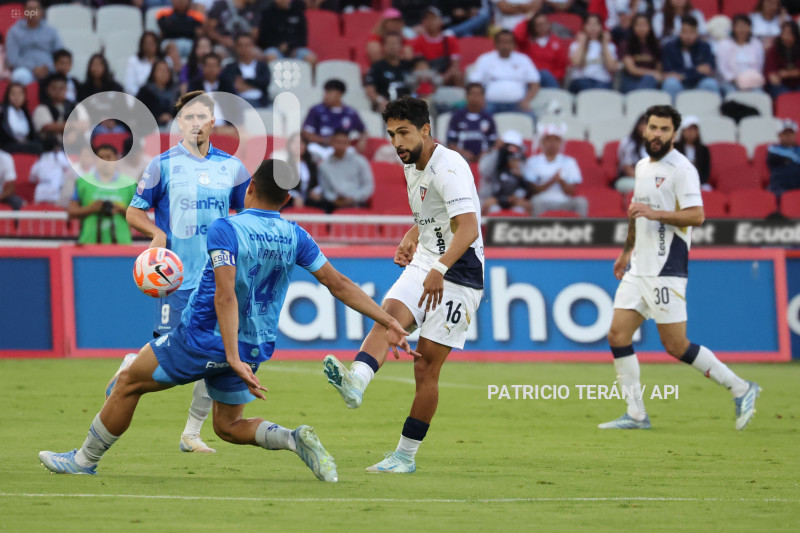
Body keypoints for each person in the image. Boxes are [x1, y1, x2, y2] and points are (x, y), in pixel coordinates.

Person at [38, 158, 418, 479]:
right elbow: (339, 284)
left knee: (127, 384)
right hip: (254, 343)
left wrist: (230, 355)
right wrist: (389, 321)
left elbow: (224, 294)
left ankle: (83, 461)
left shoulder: (227, 228)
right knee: (227, 426)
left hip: (205, 338)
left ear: (250, 186)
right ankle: (293, 438)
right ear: (286, 199)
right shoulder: (296, 234)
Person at [322, 96, 485, 473]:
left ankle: (405, 456)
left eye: (404, 133)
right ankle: (356, 383)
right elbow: (434, 213)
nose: (397, 142)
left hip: (459, 273)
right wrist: (413, 234)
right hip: (430, 259)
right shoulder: (412, 163)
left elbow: (469, 227)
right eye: (392, 134)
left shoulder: (450, 168)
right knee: (388, 317)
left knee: (425, 367)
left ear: (426, 131)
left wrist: (440, 268)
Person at [600, 104, 760, 431]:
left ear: (674, 134)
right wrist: (626, 252)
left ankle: (741, 388)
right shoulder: (643, 165)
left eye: (663, 129)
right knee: (617, 335)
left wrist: (655, 214)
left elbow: (696, 215)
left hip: (666, 268)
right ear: (645, 129)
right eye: (652, 127)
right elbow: (636, 212)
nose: (656, 134)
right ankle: (636, 414)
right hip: (638, 268)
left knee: (676, 345)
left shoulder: (682, 169)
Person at [121, 91, 252, 453]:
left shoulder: (233, 168)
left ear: (212, 122)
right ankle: (133, 365)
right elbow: (134, 211)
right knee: (169, 352)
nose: (196, 123)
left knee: (215, 354)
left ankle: (191, 433)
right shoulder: (161, 165)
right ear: (179, 123)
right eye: (188, 117)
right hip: (176, 278)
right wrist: (156, 233)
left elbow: (247, 214)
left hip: (218, 278)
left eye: (202, 117)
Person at [67, 144, 137, 245]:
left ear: (116, 160)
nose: (105, 161)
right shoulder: (83, 182)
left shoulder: (130, 184)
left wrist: (121, 209)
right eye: (101, 158)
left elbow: (140, 216)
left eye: (109, 157)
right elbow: (71, 212)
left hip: (121, 244)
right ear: (95, 160)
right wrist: (91, 209)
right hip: (88, 244)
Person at [468, 30, 541, 113]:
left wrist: (526, 101)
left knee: (531, 118)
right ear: (496, 44)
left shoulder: (524, 60)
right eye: (502, 42)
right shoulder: (485, 59)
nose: (505, 45)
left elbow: (535, 84)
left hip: (518, 104)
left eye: (508, 42)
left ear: (514, 45)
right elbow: (474, 84)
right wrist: (480, 100)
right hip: (490, 104)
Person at [524, 122, 588, 217]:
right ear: (542, 142)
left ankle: (582, 230)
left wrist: (561, 181)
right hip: (542, 200)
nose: (552, 143)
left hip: (564, 201)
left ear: (560, 143)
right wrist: (552, 180)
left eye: (556, 140)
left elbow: (571, 191)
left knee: (581, 202)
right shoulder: (533, 161)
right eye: (548, 140)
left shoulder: (570, 162)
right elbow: (533, 190)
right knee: (535, 202)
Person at [661, 16, 720, 100]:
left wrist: (683, 75)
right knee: (670, 84)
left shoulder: (705, 47)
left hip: (699, 82)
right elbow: (669, 71)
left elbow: (708, 69)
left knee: (710, 84)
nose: (688, 36)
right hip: (679, 83)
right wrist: (696, 70)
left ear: (697, 32)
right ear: (679, 32)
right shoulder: (669, 47)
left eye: (692, 32)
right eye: (685, 32)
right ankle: (671, 112)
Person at [5, 0, 63, 85]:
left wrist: (48, 67)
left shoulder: (51, 31)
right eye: (29, 9)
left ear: (41, 12)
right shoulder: (14, 32)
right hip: (26, 69)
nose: (32, 12)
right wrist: (33, 68)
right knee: (19, 76)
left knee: (63, 78)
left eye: (35, 9)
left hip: (49, 69)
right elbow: (12, 59)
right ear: (24, 11)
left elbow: (60, 53)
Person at [302, 79, 367, 154]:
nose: (325, 96)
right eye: (325, 92)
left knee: (352, 153)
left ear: (339, 94)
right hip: (321, 148)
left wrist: (362, 141)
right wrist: (328, 140)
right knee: (311, 148)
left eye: (329, 93)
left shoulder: (350, 113)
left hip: (342, 149)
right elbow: (306, 133)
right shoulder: (316, 110)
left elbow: (363, 131)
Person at [316, 129, 374, 212]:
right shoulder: (324, 165)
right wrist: (334, 199)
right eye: (338, 142)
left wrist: (354, 198)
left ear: (348, 144)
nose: (340, 146)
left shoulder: (360, 161)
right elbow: (325, 189)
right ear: (331, 142)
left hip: (358, 204)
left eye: (344, 142)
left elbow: (368, 186)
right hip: (334, 205)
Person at [512, 12, 570, 88]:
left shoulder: (556, 42)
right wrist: (526, 20)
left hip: (549, 79)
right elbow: (517, 35)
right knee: (543, 74)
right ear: (534, 28)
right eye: (539, 25)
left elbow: (561, 66)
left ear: (549, 24)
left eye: (545, 23)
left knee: (545, 74)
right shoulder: (527, 41)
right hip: (529, 78)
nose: (543, 27)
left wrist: (555, 78)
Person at [410, 7, 463, 87]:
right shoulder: (418, 41)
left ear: (440, 21)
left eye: (433, 18)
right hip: (428, 75)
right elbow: (420, 65)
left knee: (457, 74)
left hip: (446, 74)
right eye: (427, 19)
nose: (430, 22)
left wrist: (443, 78)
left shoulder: (449, 40)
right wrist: (434, 79)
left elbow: (455, 65)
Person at [446, 83, 498, 164]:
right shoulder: (457, 117)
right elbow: (450, 142)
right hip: (461, 159)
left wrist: (485, 153)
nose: (475, 98)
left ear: (483, 97)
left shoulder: (488, 118)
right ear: (466, 96)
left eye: (478, 94)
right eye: (472, 94)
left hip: (484, 160)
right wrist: (462, 152)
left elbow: (493, 143)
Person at [716, 14, 765, 96]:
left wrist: (749, 81)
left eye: (745, 26)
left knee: (759, 95)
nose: (742, 30)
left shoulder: (756, 44)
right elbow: (722, 68)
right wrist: (736, 81)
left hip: (751, 81)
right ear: (733, 28)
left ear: (750, 28)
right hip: (731, 82)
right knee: (733, 95)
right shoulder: (724, 44)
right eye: (739, 26)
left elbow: (759, 65)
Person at [567, 13, 618, 93]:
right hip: (581, 80)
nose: (593, 28)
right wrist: (582, 43)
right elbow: (576, 63)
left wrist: (604, 44)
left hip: (602, 81)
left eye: (596, 24)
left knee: (603, 89)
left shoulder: (609, 46)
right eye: (589, 24)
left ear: (601, 27)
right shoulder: (576, 45)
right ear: (584, 26)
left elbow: (611, 67)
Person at [258, 0, 317, 65]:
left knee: (311, 58)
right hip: (275, 49)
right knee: (270, 57)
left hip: (295, 49)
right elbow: (263, 38)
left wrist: (291, 47)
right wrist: (279, 46)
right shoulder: (267, 14)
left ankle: (309, 75)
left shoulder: (297, 12)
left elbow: (303, 38)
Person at [364, 33, 413, 112]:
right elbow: (370, 91)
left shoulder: (408, 66)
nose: (392, 47)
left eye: (395, 44)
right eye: (389, 44)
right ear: (383, 46)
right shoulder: (377, 67)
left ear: (400, 46)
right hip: (386, 105)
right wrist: (381, 101)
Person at [220, 33, 271, 108]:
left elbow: (265, 83)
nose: (245, 49)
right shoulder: (230, 68)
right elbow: (231, 86)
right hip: (237, 104)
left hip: (261, 103)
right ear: (236, 47)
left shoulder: (262, 66)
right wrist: (255, 86)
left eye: (247, 45)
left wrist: (245, 82)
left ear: (253, 46)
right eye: (241, 45)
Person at [620, 13, 662, 93]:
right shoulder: (626, 44)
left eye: (644, 25)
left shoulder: (656, 46)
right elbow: (631, 69)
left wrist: (654, 75)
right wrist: (652, 73)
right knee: (649, 78)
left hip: (651, 82)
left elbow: (659, 69)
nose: (641, 28)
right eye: (638, 25)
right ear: (633, 27)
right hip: (631, 81)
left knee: (650, 80)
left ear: (649, 27)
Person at [29, 135, 73, 205]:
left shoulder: (40, 159)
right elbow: (70, 169)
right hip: (55, 192)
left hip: (40, 192)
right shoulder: (59, 155)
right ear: (56, 146)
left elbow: (31, 178)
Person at [136, 60, 180, 129]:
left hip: (171, 127)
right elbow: (139, 114)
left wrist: (170, 117)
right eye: (160, 70)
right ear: (153, 73)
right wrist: (159, 118)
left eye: (166, 71)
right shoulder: (145, 91)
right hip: (150, 127)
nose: (163, 73)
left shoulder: (175, 92)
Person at [0, 81, 42, 154]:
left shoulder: (25, 112)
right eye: (13, 94)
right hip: (8, 144)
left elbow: (32, 134)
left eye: (20, 94)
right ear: (8, 95)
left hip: (26, 143)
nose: (17, 97)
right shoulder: (2, 111)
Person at [764, 21, 800, 99]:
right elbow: (771, 74)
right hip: (781, 84)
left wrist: (787, 74)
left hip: (797, 83)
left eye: (790, 34)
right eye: (784, 33)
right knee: (785, 95)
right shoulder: (774, 50)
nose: (786, 37)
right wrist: (774, 77)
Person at [674, 115, 711, 189]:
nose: (691, 133)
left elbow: (706, 171)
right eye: (688, 129)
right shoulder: (675, 148)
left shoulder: (704, 150)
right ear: (683, 131)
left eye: (693, 130)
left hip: (699, 183)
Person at [125, 32, 165, 96]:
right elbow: (130, 87)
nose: (149, 46)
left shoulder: (166, 60)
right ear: (142, 45)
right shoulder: (133, 61)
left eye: (152, 43)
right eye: (147, 43)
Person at [615, 113, 648, 193]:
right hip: (628, 179)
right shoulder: (629, 143)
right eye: (644, 124)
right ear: (638, 126)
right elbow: (627, 169)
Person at [767, 118, 800, 196]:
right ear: (779, 135)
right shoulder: (774, 149)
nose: (788, 136)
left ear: (795, 134)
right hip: (780, 185)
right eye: (785, 133)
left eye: (791, 133)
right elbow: (774, 160)